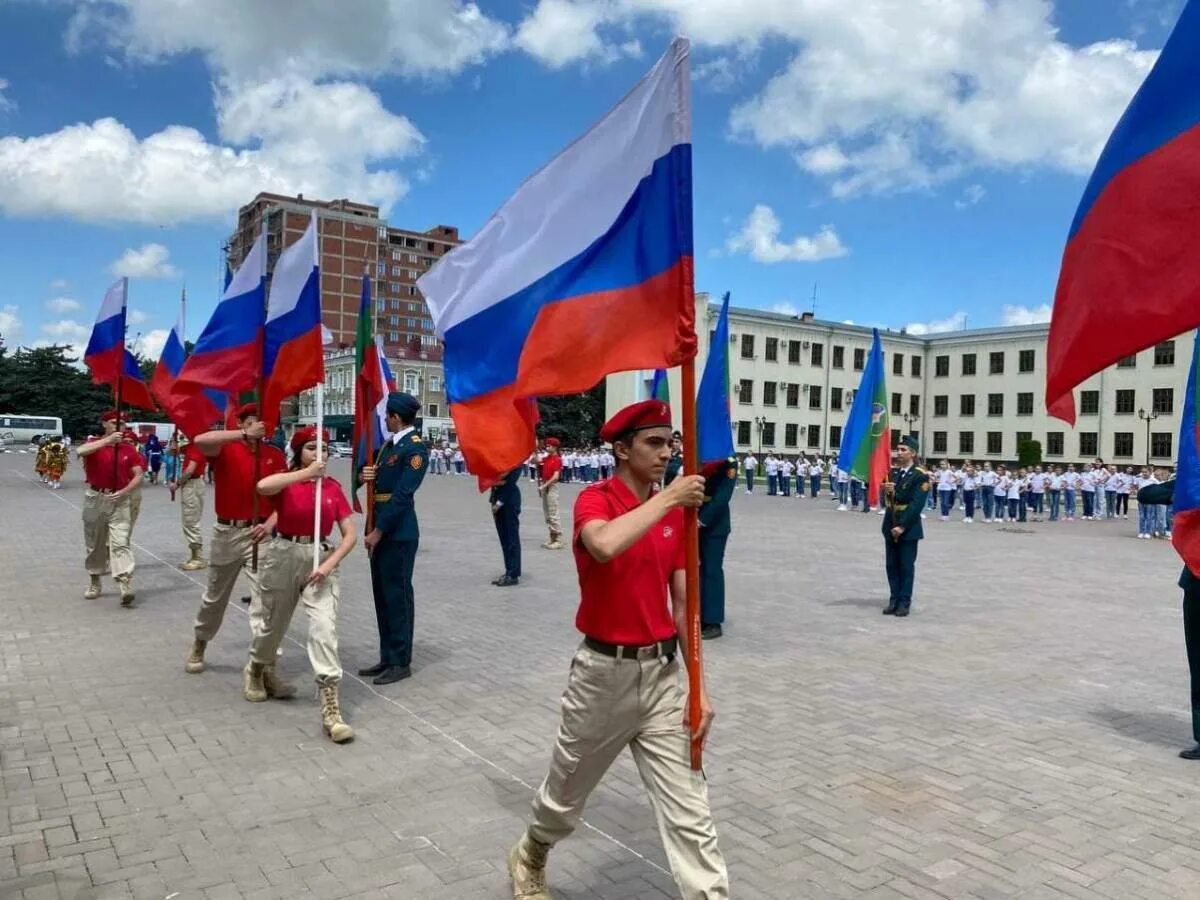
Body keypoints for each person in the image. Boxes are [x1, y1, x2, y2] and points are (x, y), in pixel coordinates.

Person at [507, 399, 728, 900]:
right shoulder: (597, 500)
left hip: (661, 679)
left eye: (671, 442)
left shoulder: (676, 516)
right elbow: (603, 545)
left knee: (691, 811)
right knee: (564, 795)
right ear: (621, 450)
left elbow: (681, 608)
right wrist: (670, 500)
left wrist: (699, 688)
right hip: (602, 675)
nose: (667, 452)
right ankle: (532, 850)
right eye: (654, 443)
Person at [248, 427, 358, 743]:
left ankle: (331, 708)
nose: (319, 454)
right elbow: (263, 486)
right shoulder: (286, 481)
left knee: (324, 628)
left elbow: (349, 535)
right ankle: (258, 668)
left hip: (318, 559)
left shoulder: (333, 488)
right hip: (283, 554)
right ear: (299, 452)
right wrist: (305, 474)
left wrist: (327, 564)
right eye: (311, 447)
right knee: (273, 625)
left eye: (324, 449)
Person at [183, 404, 285, 676]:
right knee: (215, 597)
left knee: (265, 599)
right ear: (240, 423)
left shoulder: (274, 455)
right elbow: (200, 441)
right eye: (249, 421)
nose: (255, 427)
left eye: (259, 423)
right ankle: (200, 641)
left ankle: (263, 664)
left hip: (260, 534)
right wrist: (242, 434)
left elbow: (283, 500)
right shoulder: (225, 449)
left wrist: (269, 524)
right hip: (227, 534)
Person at [359, 392, 428, 685]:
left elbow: (401, 496)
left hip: (397, 533)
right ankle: (387, 656)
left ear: (396, 417)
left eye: (387, 415)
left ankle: (401, 660)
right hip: (381, 529)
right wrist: (368, 476)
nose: (385, 420)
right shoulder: (390, 446)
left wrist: (378, 531)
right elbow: (381, 485)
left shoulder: (415, 449)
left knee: (397, 596)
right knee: (383, 596)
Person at [1136, 478, 1199, 760]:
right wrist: (1186, 488)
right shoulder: (1194, 480)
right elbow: (1147, 494)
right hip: (1197, 584)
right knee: (1199, 663)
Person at [76, 411, 143, 606]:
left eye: (122, 424)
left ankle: (124, 583)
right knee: (95, 544)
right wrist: (107, 441)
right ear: (105, 424)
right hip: (96, 498)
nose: (119, 426)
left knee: (121, 542)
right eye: (114, 423)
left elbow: (138, 474)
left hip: (120, 500)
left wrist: (125, 491)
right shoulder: (95, 444)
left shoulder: (128, 449)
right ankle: (95, 581)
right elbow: (80, 451)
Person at [880, 435, 929, 618]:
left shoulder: (920, 475)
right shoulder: (892, 473)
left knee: (906, 566)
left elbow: (917, 505)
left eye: (903, 450)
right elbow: (887, 502)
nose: (898, 452)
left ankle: (904, 602)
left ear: (913, 453)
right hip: (889, 524)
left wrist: (901, 526)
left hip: (908, 528)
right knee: (891, 565)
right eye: (898, 449)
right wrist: (886, 492)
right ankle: (893, 599)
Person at [700, 456, 737, 641]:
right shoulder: (695, 454)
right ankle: (697, 614)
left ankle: (713, 621)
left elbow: (723, 495)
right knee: (694, 570)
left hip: (714, 523)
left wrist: (703, 518)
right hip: (692, 514)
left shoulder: (729, 461)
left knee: (711, 570)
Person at [173, 436, 209, 570]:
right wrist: (175, 449)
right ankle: (195, 555)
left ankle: (198, 557)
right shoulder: (192, 446)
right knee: (190, 519)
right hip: (193, 483)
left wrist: (176, 484)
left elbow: (189, 470)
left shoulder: (196, 446)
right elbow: (179, 452)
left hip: (192, 484)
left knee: (190, 520)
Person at [490, 466, 523, 587]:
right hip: (497, 498)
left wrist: (499, 502)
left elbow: (510, 482)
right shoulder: (499, 460)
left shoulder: (516, 461)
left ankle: (513, 574)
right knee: (504, 539)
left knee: (511, 539)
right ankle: (508, 570)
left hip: (508, 502)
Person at [539, 437, 564, 550]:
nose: (547, 447)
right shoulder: (547, 458)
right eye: (546, 445)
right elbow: (534, 461)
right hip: (545, 486)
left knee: (553, 513)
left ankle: (559, 539)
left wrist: (544, 486)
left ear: (555, 447)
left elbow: (556, 477)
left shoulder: (557, 459)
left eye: (549, 446)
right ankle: (552, 537)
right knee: (547, 514)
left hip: (551, 486)